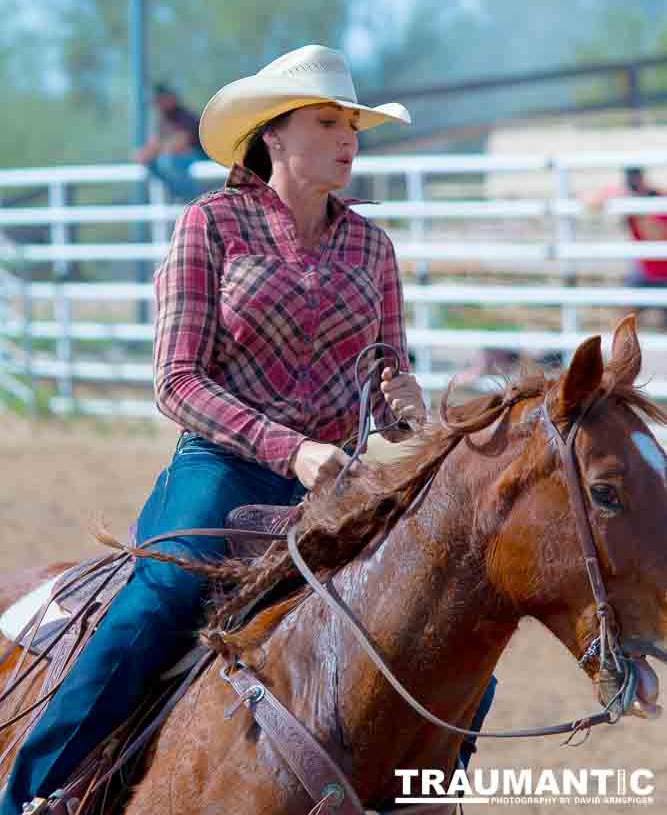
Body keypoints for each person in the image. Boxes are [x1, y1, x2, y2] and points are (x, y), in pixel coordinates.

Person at [1, 44, 454, 813]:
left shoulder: (370, 246)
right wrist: (291, 448)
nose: (348, 138)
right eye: (327, 121)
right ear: (273, 135)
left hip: (336, 479)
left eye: (353, 124)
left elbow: (386, 378)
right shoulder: (210, 225)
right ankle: (29, 793)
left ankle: (424, 793)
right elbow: (177, 382)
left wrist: (404, 405)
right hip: (224, 467)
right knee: (156, 601)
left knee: (443, 606)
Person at [584, 166, 667, 328]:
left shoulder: (658, 199)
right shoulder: (627, 197)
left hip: (664, 273)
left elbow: (657, 236)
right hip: (645, 274)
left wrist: (638, 209)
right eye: (631, 179)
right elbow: (590, 202)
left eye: (636, 179)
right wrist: (611, 195)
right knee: (622, 322)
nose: (634, 183)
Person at [135, 83, 205, 202]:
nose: (158, 105)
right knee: (153, 163)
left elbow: (180, 144)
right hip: (177, 163)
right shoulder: (162, 120)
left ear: (171, 98)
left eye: (160, 100)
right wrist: (147, 153)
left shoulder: (185, 116)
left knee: (167, 161)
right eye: (156, 101)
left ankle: (193, 199)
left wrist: (156, 149)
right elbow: (149, 149)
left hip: (199, 158)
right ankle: (183, 197)